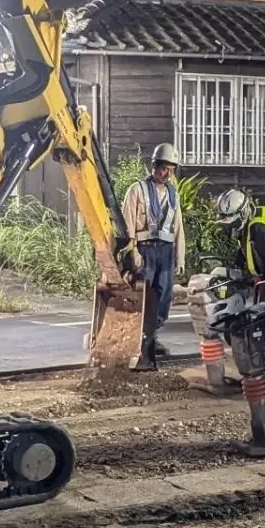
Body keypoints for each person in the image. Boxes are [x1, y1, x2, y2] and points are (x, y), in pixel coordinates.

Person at [188, 190, 265, 393]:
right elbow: (244, 252)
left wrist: (259, 282)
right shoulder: (246, 226)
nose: (229, 227)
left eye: (231, 222)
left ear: (241, 213)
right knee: (258, 316)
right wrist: (237, 272)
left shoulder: (259, 228)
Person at [121, 143, 185, 369]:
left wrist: (180, 256)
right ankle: (140, 344)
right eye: (163, 168)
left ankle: (152, 336)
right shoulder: (137, 190)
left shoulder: (173, 194)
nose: (167, 173)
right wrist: (133, 252)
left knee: (164, 297)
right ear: (154, 166)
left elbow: (178, 227)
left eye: (171, 169)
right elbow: (127, 223)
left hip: (166, 251)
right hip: (145, 249)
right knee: (145, 298)